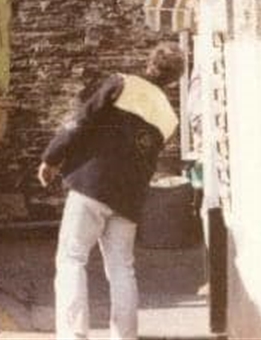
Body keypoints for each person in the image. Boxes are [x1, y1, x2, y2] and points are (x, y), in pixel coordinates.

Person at [37, 42, 184, 340]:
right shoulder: (170, 118)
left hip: (91, 185)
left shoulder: (121, 84)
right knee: (122, 268)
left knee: (72, 258)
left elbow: (82, 120)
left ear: (149, 63)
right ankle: (125, 336)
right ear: (176, 78)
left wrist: (51, 157)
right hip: (129, 197)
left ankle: (73, 334)